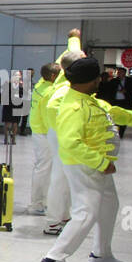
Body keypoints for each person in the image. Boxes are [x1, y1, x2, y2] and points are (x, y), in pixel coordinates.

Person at [39, 56, 132, 262]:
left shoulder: (90, 101)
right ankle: (53, 257)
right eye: (97, 78)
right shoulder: (73, 107)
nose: (100, 81)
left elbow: (114, 112)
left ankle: (101, 254)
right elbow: (71, 143)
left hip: (97, 166)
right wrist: (101, 162)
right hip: (85, 165)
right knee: (87, 210)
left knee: (109, 206)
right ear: (90, 80)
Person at [43, 30, 84, 236]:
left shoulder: (64, 74)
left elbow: (72, 53)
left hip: (61, 132)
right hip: (61, 133)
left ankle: (63, 215)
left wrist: (73, 37)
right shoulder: (66, 85)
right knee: (60, 177)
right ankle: (52, 221)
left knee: (66, 177)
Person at [27, 62, 60, 216]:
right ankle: (37, 203)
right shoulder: (49, 92)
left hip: (38, 130)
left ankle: (41, 201)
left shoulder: (40, 85)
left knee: (42, 167)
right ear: (53, 76)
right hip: (45, 133)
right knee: (43, 168)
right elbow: (50, 117)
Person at [2, 71, 27, 145]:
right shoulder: (8, 84)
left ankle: (13, 139)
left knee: (15, 123)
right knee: (7, 122)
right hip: (8, 105)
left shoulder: (22, 85)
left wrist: (22, 87)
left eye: (19, 75)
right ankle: (6, 138)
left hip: (18, 105)